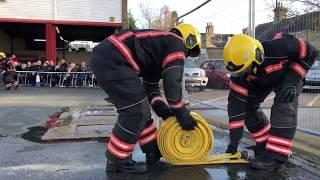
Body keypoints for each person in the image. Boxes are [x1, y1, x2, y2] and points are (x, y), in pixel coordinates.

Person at [90, 23, 201, 174]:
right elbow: (172, 84)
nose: (185, 57)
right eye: (189, 53)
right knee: (135, 111)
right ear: (189, 40)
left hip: (109, 56)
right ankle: (117, 160)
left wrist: (166, 113)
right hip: (114, 57)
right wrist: (182, 114)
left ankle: (152, 150)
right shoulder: (176, 42)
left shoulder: (157, 50)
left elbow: (151, 90)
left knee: (142, 110)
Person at [223, 33, 318, 170]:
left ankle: (277, 156)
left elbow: (311, 52)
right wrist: (233, 143)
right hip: (263, 78)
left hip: (288, 75)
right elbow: (236, 110)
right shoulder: (240, 76)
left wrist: (292, 81)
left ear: (257, 56)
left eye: (247, 68)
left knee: (284, 105)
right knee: (249, 108)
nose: (245, 73)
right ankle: (265, 145)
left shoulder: (281, 47)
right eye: (241, 71)